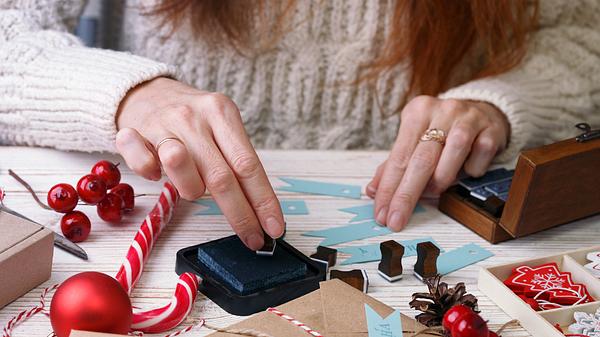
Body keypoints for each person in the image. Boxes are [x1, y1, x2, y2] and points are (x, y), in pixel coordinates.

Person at [1, 1, 599, 250]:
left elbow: (582, 37)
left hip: (434, 218)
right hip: (168, 215)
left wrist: (498, 102)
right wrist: (129, 94)